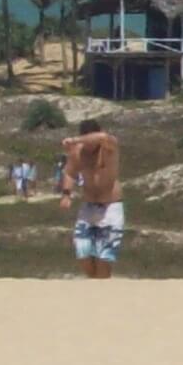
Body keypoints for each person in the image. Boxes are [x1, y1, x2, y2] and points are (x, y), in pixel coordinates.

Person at [59, 116, 124, 278]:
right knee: (83, 253)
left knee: (105, 257)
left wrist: (74, 139)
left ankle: (102, 288)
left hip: (110, 207)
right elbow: (69, 173)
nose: (88, 144)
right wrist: (66, 194)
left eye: (90, 139)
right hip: (88, 207)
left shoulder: (109, 146)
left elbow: (102, 137)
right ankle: (93, 282)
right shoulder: (78, 152)